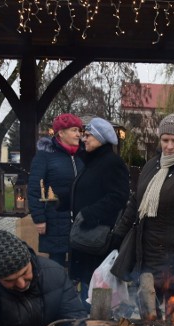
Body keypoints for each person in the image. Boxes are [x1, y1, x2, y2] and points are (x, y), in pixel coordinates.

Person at [111, 113, 174, 305]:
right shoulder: (152, 165)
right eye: (165, 140)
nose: (169, 146)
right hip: (147, 257)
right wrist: (118, 234)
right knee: (150, 320)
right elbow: (135, 202)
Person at [69, 117, 130, 307]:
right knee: (85, 289)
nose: (83, 139)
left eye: (88, 135)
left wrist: (89, 214)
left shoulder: (112, 163)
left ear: (100, 138)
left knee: (95, 291)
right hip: (85, 237)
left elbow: (118, 197)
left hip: (97, 238)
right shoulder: (91, 161)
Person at [27, 113, 85, 267]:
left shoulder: (82, 155)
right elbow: (34, 187)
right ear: (61, 133)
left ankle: (76, 290)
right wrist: (39, 218)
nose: (78, 134)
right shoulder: (45, 156)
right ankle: (58, 290)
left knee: (79, 261)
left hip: (79, 218)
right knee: (56, 263)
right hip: (55, 218)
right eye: (74, 130)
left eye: (79, 130)